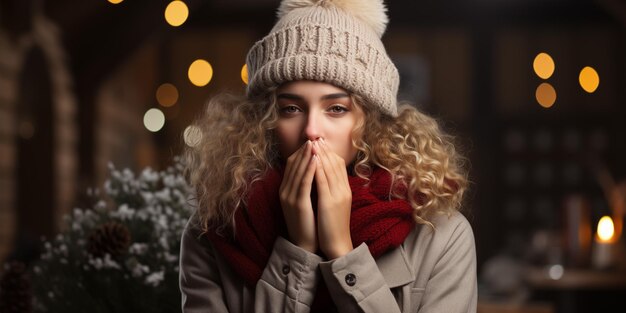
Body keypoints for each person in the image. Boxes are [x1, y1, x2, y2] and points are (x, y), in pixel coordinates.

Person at [179, 0, 477, 312]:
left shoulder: (441, 236)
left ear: (370, 123)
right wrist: (296, 253)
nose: (311, 130)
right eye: (290, 109)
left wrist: (342, 254)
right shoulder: (211, 231)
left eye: (336, 109)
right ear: (263, 121)